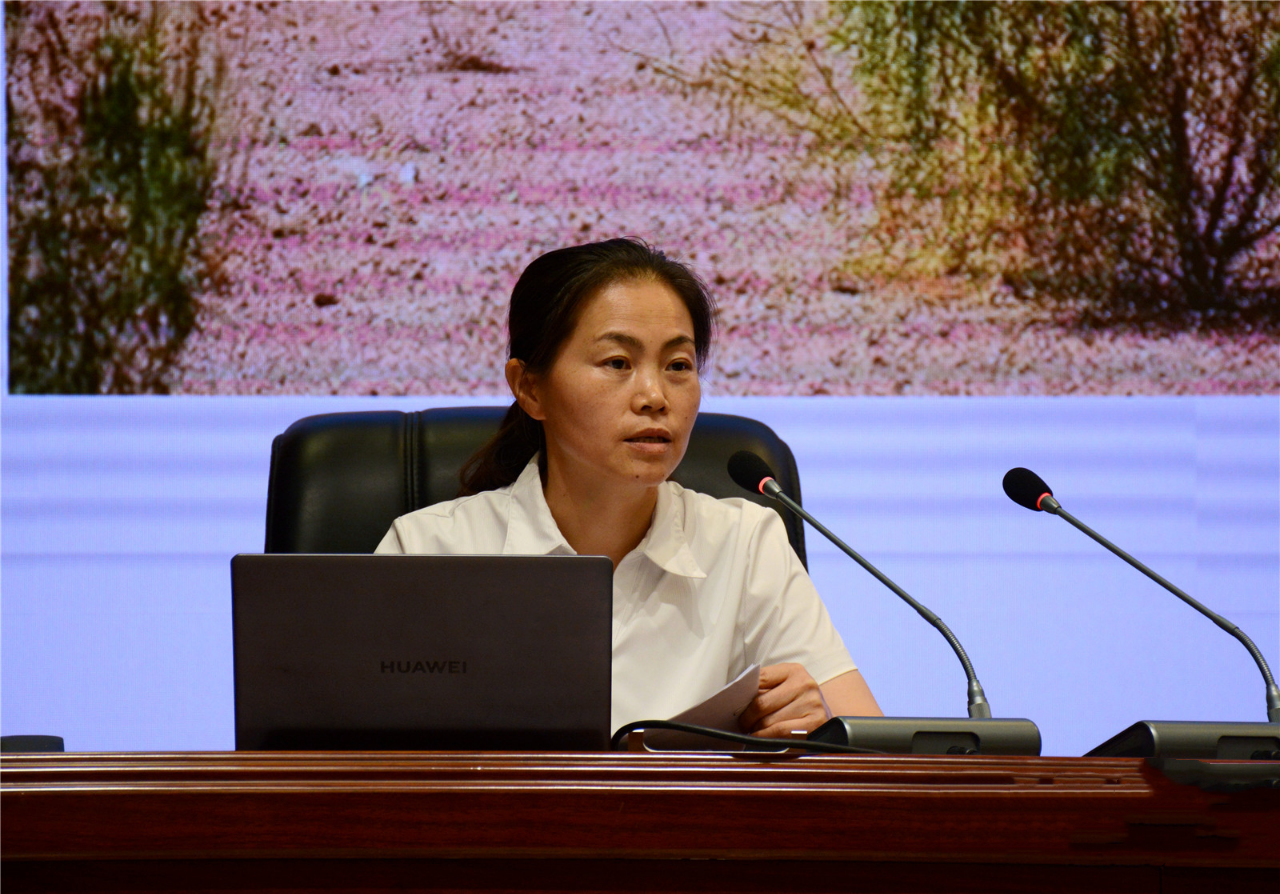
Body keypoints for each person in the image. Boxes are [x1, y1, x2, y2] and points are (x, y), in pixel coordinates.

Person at [376, 238, 882, 737]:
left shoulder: (746, 544)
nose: (654, 396)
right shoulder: (427, 552)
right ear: (530, 388)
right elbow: (360, 762)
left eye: (678, 366)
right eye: (618, 363)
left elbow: (877, 757)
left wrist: (820, 726)